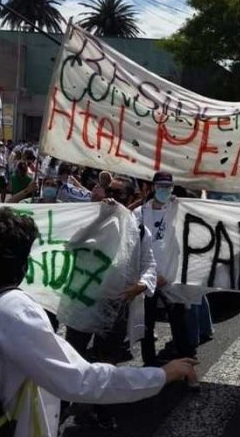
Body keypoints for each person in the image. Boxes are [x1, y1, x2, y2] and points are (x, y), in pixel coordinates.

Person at [0, 208, 198, 437]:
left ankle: (102, 412)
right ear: (20, 264)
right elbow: (79, 379)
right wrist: (161, 375)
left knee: (105, 354)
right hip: (6, 427)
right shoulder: (15, 310)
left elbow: (148, 266)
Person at [61, 178, 157, 428]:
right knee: (74, 352)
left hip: (116, 305)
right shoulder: (92, 220)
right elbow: (71, 245)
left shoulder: (139, 229)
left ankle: (103, 408)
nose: (113, 198)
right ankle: (62, 402)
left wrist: (141, 285)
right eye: (109, 191)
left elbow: (149, 265)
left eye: (119, 194)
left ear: (130, 198)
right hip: (85, 299)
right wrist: (98, 217)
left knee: (107, 359)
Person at [134, 172, 205, 366]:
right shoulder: (139, 213)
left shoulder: (178, 210)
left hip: (171, 279)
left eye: (168, 187)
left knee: (179, 323)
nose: (164, 191)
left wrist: (182, 204)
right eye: (160, 186)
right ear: (152, 188)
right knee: (147, 324)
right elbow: (133, 244)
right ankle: (149, 363)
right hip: (148, 277)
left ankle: (186, 363)